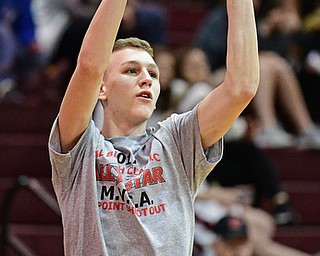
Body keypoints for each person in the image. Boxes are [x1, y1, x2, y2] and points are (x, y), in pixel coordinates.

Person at [48, 0, 260, 255]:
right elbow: (89, 67)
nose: (146, 79)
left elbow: (242, 88)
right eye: (131, 70)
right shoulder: (80, 147)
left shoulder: (177, 140)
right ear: (101, 89)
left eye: (153, 74)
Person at [194, 0, 320, 149]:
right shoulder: (220, 18)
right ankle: (268, 127)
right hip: (217, 75)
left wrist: (270, 32)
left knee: (276, 64)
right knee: (262, 64)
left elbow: (277, 55)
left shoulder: (261, 18)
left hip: (251, 74)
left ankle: (306, 128)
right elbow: (217, 55)